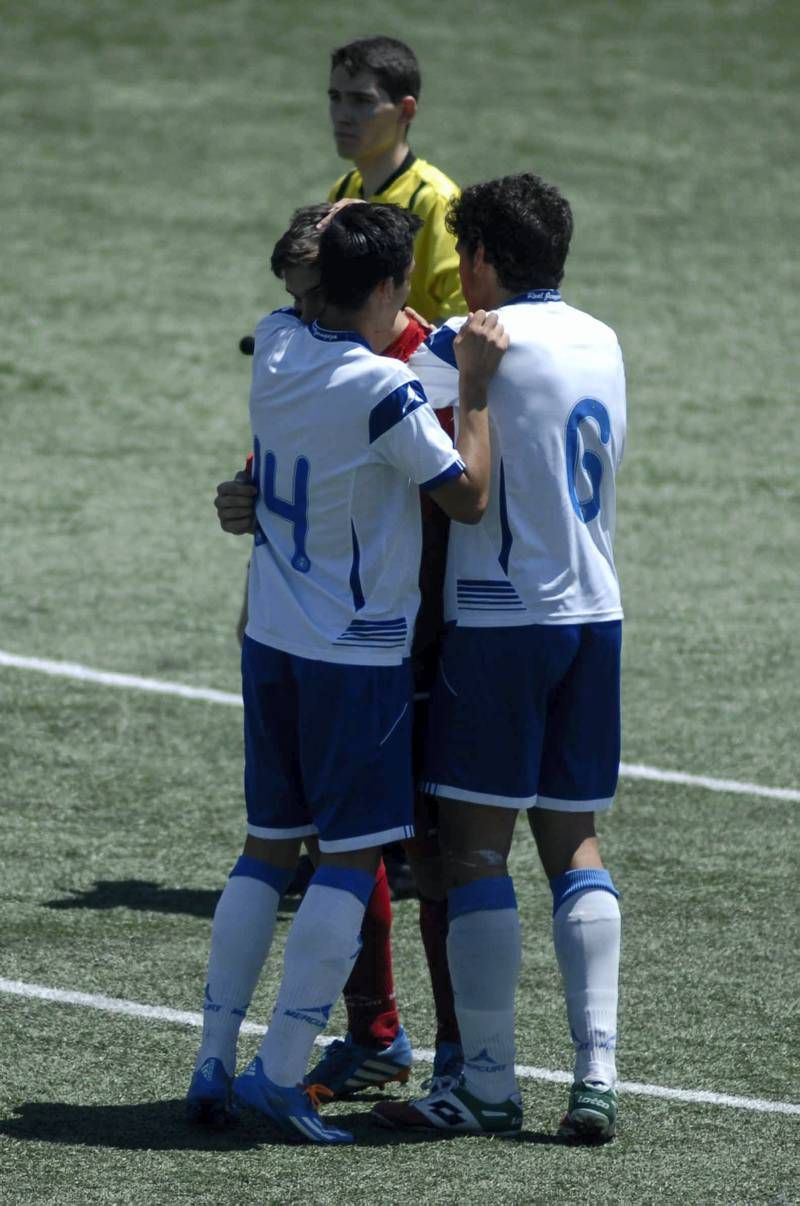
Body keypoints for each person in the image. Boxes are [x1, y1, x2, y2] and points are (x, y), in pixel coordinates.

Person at [187, 202, 507, 1145]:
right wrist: (477, 392)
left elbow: (304, 293)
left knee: (264, 849)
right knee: (352, 856)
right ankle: (278, 1074)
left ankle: (211, 1062)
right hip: (355, 657)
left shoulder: (280, 343)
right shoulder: (381, 393)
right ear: (381, 289)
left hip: (273, 643)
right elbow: (470, 496)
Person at [371, 173, 626, 1141]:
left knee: (476, 852)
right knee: (575, 846)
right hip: (593, 614)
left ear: (478, 259)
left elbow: (374, 377)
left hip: (498, 620)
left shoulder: (467, 346)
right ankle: (596, 1075)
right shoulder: (601, 338)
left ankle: (485, 1084)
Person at [327, 35, 463, 324]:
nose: (342, 116)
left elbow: (460, 320)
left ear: (407, 110)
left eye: (362, 101)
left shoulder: (436, 201)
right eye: (335, 98)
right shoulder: (342, 190)